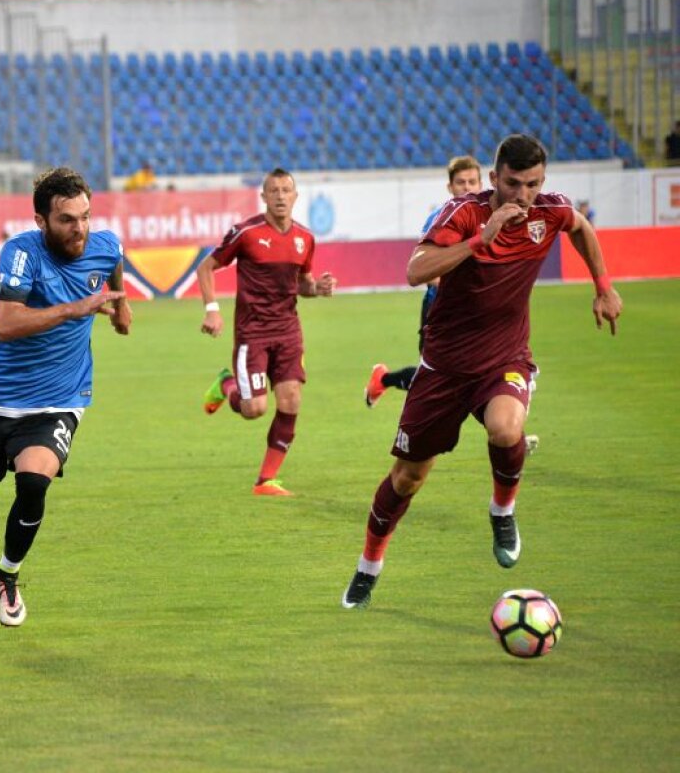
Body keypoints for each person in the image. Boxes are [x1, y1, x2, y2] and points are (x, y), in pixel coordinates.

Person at [341, 134, 623, 610]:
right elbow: (415, 270)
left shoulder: (549, 210)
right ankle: (368, 568)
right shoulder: (463, 214)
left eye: (533, 184)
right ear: (494, 179)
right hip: (444, 367)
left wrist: (603, 285)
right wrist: (480, 239)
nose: (523, 195)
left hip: (504, 359)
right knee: (407, 478)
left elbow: (580, 227)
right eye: (513, 184)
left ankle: (502, 512)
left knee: (506, 427)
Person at [0, 167, 132, 633]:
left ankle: (7, 576)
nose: (80, 228)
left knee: (34, 482)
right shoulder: (21, 253)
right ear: (41, 220)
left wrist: (120, 308)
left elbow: (114, 265)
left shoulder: (106, 244)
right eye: (67, 220)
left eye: (85, 217)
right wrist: (77, 308)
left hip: (59, 400)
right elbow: (8, 324)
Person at [196, 167, 336, 497]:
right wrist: (212, 309)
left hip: (288, 331)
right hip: (253, 334)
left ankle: (265, 481)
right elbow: (206, 267)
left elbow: (302, 285)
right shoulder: (245, 233)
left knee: (291, 399)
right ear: (263, 197)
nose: (280, 196)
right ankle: (226, 384)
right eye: (274, 191)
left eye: (286, 190)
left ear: (295, 196)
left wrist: (318, 289)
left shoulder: (305, 238)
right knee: (254, 409)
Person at [365, 155, 482, 407]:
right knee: (432, 380)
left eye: (472, 182)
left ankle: (507, 430)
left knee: (475, 374)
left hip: (474, 310)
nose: (467, 187)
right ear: (450, 187)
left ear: (481, 184)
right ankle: (383, 380)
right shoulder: (438, 221)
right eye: (461, 182)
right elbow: (426, 272)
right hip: (439, 309)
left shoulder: (488, 221)